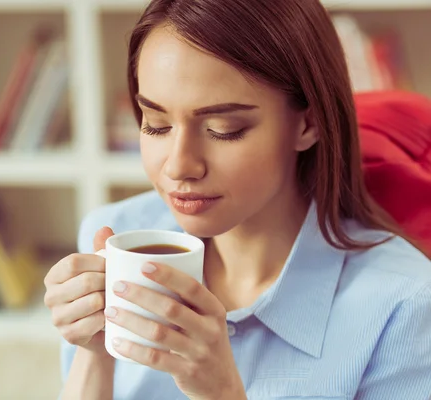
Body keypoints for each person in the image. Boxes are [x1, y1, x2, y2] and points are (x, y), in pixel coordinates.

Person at [43, 0, 431, 399]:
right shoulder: (116, 235)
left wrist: (223, 393)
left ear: (308, 123)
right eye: (156, 125)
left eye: (222, 129)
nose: (179, 167)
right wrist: (94, 354)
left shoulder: (403, 306)